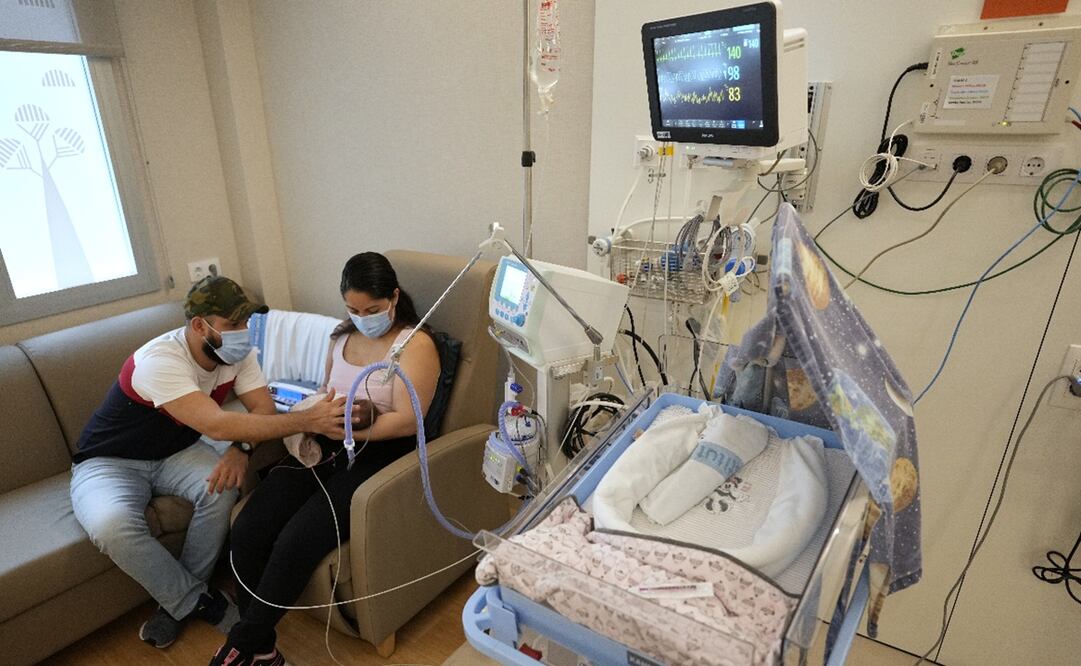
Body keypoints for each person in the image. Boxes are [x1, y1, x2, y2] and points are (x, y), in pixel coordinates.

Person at [70, 276, 349, 650]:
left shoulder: (237, 355)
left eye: (246, 321)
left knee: (223, 488)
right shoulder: (159, 361)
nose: (243, 331)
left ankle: (179, 600)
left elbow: (262, 408)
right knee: (110, 527)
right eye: (233, 324)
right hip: (109, 461)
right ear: (200, 325)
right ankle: (197, 600)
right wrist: (306, 420)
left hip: (175, 452)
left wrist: (242, 449)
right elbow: (216, 424)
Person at [209, 253, 440, 666]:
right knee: (247, 528)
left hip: (378, 453)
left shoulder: (415, 345)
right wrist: (317, 416)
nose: (362, 318)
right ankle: (261, 649)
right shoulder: (340, 338)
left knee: (294, 541)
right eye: (353, 309)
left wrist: (351, 430)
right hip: (324, 443)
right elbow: (324, 388)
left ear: (393, 298)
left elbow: (410, 420)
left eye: (372, 309)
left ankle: (241, 644)